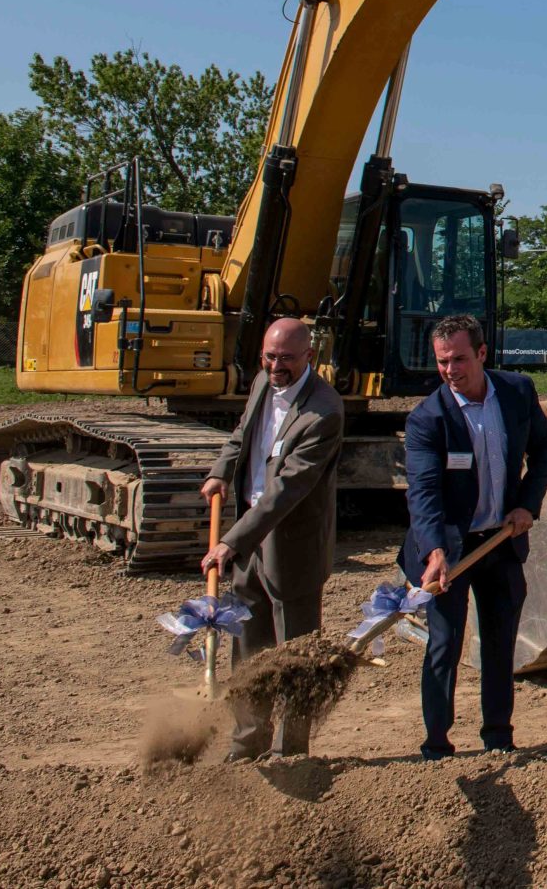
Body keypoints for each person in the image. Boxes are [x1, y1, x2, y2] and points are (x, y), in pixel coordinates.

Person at [400, 314, 547, 758]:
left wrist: (527, 504)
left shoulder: (516, 391)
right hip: (449, 548)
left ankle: (498, 737)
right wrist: (434, 551)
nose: (450, 370)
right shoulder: (427, 419)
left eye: (459, 359)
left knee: (499, 641)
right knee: (445, 643)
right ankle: (436, 745)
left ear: (482, 353)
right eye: (442, 361)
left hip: (501, 540)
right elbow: (424, 492)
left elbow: (544, 449)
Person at [200, 316, 345, 761]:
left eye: (286, 359)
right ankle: (247, 743)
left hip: (291, 544)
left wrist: (232, 540)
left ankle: (290, 752)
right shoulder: (263, 382)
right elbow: (242, 435)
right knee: (247, 642)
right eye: (269, 356)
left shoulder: (324, 411)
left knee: (295, 653)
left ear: (309, 356)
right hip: (250, 535)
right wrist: (221, 471)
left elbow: (287, 489)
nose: (276, 366)